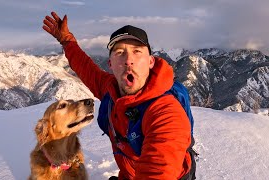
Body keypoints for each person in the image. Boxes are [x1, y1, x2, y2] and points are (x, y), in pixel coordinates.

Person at [42, 11, 193, 180]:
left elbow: (158, 172)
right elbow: (87, 70)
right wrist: (67, 40)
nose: (128, 60)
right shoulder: (111, 89)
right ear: (110, 64)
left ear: (151, 61)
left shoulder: (165, 112)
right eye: (120, 52)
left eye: (137, 51)